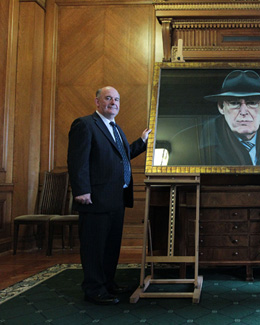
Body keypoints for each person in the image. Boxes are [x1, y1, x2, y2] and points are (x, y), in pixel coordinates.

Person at [67, 86, 151, 305]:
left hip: (116, 198)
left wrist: (141, 142)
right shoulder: (85, 125)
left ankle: (108, 282)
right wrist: (81, 190)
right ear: (97, 102)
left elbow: (123, 155)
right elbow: (77, 161)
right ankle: (94, 289)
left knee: (111, 245)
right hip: (95, 199)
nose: (113, 102)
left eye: (117, 99)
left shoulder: (116, 128)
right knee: (94, 246)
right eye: (108, 98)